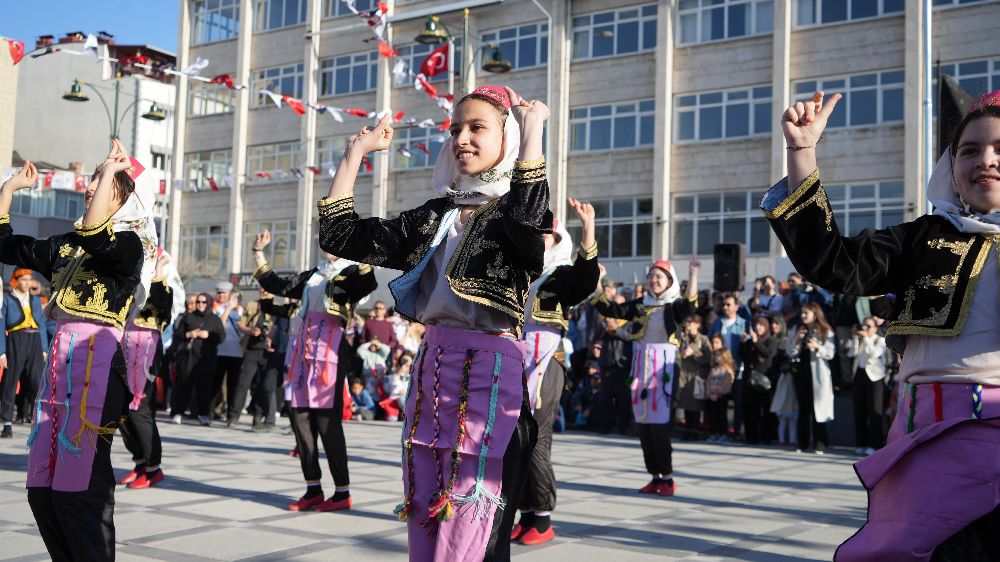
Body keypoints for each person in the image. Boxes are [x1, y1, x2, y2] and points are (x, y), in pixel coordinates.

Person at [762, 90, 1000, 558]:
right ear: (951, 166)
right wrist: (802, 153)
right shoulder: (923, 237)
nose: (985, 160)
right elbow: (832, 261)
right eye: (969, 150)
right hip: (932, 433)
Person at [318, 85, 550, 561]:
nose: (461, 138)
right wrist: (354, 152)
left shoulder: (512, 212)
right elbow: (339, 234)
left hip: (492, 372)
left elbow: (530, 225)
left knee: (479, 526)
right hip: (433, 370)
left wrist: (533, 131)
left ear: (505, 135)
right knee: (426, 502)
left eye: (477, 128)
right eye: (455, 129)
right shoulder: (437, 215)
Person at [0, 140, 150, 560]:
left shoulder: (129, 245)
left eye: (101, 185)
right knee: (42, 491)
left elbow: (95, 235)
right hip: (60, 368)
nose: (90, 189)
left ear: (123, 199)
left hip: (100, 366)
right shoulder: (63, 245)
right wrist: (9, 192)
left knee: (80, 491)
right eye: (89, 183)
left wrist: (108, 173)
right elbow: (4, 245)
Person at [252, 228, 377, 513]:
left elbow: (368, 283)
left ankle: (342, 491)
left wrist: (361, 250)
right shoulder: (314, 274)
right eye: (326, 241)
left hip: (331, 350)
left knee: (326, 423)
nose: (328, 246)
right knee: (300, 418)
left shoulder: (350, 272)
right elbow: (277, 285)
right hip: (303, 349)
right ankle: (312, 488)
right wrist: (258, 252)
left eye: (335, 241)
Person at [512, 199, 599, 546]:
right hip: (514, 359)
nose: (539, 240)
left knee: (536, 438)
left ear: (558, 239)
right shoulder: (520, 274)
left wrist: (588, 228)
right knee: (512, 438)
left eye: (545, 235)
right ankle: (525, 512)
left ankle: (543, 517)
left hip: (546, 361)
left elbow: (586, 279)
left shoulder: (561, 274)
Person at [590, 258, 700, 496]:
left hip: (665, 367)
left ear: (669, 281)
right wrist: (597, 279)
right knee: (643, 423)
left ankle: (667, 477)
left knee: (659, 424)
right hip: (640, 365)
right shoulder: (641, 304)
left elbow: (691, 305)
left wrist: (693, 274)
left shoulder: (674, 306)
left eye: (659, 276)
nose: (653, 280)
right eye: (651, 276)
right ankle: (654, 476)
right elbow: (609, 308)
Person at [118, 252, 174, 489]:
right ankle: (140, 462)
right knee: (121, 411)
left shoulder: (161, 298)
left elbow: (161, 300)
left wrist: (159, 269)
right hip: (124, 356)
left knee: (140, 410)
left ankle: (154, 468)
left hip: (146, 359)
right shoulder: (132, 297)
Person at [0, 268, 48, 437]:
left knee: (37, 382)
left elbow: (41, 324)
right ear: (16, 280)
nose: (28, 283)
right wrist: (2, 352)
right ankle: (7, 423)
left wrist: (43, 348)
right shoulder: (8, 300)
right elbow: (1, 326)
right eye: (24, 279)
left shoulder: (35, 300)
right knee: (10, 381)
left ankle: (39, 422)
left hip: (34, 340)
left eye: (29, 279)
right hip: (15, 339)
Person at [786, 303, 835, 453]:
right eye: (802, 313)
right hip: (801, 374)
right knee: (803, 409)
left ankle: (820, 443)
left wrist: (817, 346)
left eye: (806, 313)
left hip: (818, 375)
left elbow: (831, 353)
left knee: (817, 409)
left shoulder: (825, 330)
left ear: (815, 314)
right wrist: (796, 340)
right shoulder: (797, 329)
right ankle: (802, 442)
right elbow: (789, 352)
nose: (803, 316)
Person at [172, 292, 225, 424]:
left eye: (203, 302)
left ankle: (204, 414)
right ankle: (178, 412)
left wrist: (208, 335)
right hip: (189, 356)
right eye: (198, 302)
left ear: (208, 303)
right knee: (184, 384)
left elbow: (221, 336)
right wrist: (189, 334)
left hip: (206, 358)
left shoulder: (214, 319)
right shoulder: (189, 317)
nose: (201, 305)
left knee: (204, 386)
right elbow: (178, 333)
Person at [846, 317, 887, 456]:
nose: (864, 329)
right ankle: (861, 443)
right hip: (859, 375)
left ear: (875, 328)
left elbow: (874, 354)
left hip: (875, 377)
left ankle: (875, 444)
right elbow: (851, 353)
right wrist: (854, 337)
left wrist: (867, 338)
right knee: (859, 410)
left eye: (868, 326)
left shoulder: (880, 340)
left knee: (875, 411)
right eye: (863, 325)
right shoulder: (860, 338)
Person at [740, 316, 778, 445]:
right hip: (750, 380)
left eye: (761, 325)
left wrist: (756, 342)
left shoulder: (770, 340)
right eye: (756, 325)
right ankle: (751, 437)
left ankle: (766, 436)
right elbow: (741, 354)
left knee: (765, 410)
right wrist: (743, 342)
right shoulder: (751, 341)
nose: (758, 327)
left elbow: (768, 353)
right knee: (750, 410)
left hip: (764, 381)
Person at [676, 315, 711, 441]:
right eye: (686, 322)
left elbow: (708, 358)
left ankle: (695, 430)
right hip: (684, 376)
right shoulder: (682, 338)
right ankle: (687, 428)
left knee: (696, 405)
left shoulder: (703, 339)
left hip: (696, 376)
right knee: (686, 404)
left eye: (690, 322)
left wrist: (694, 352)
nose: (687, 324)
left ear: (697, 324)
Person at [706, 344, 736, 443]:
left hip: (722, 396)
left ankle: (723, 434)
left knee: (722, 415)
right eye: (715, 355)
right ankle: (714, 433)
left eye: (718, 355)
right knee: (713, 415)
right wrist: (710, 393)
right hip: (713, 396)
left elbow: (727, 385)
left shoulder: (728, 370)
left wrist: (719, 392)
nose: (716, 357)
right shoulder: (714, 369)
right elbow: (708, 382)